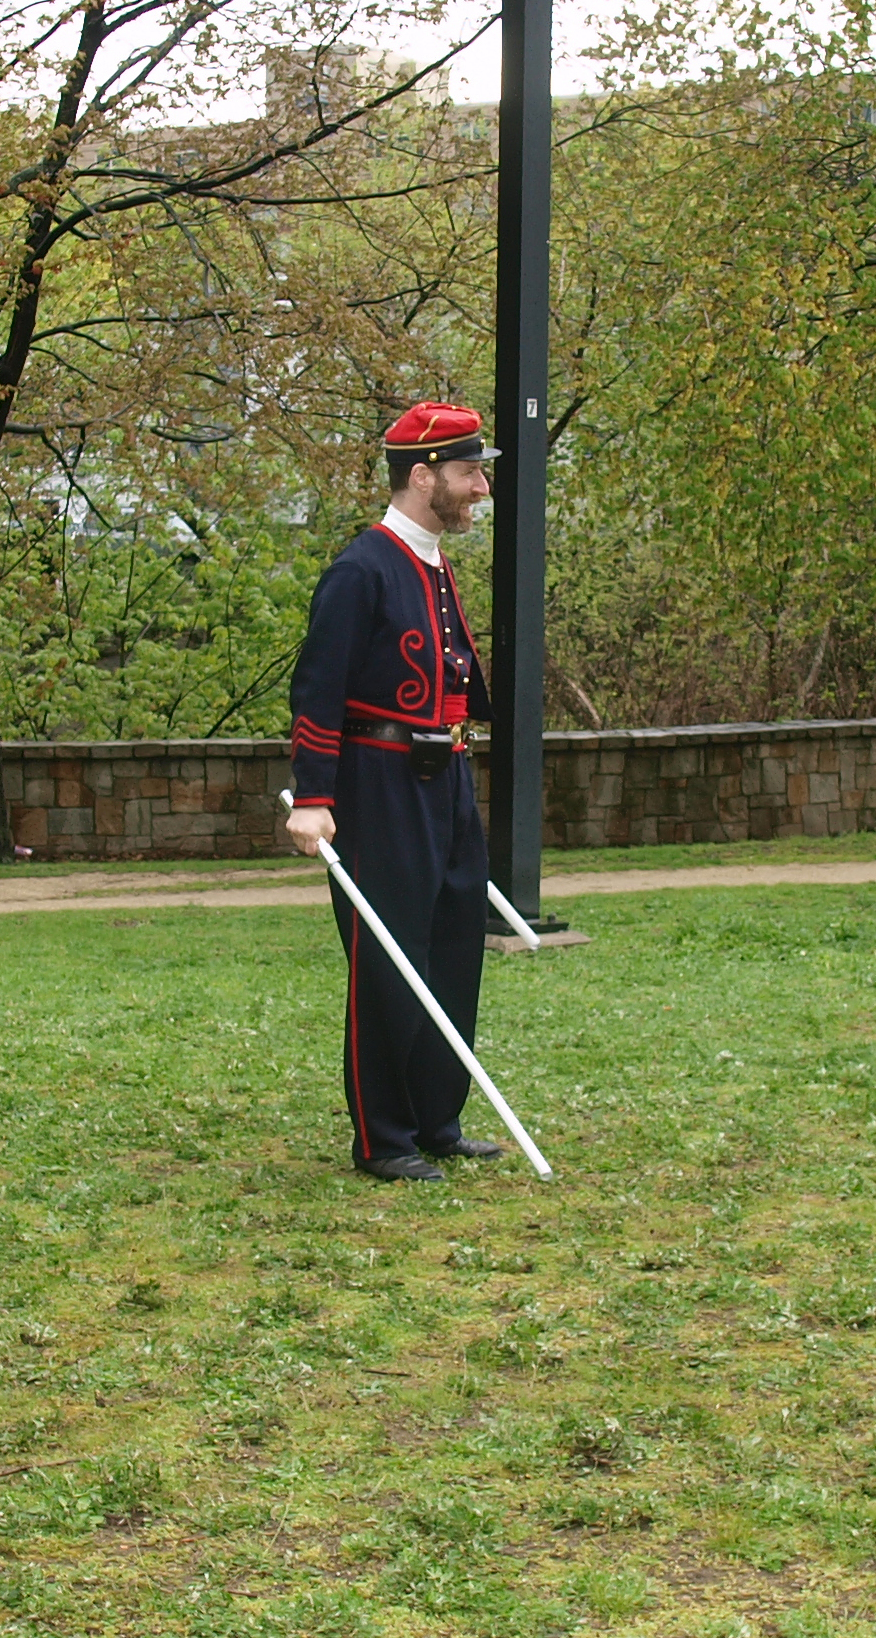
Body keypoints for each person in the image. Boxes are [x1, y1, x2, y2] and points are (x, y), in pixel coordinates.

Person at [283, 402, 505, 1182]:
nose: (481, 488)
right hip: (376, 786)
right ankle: (384, 1139)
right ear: (422, 476)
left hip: (446, 778)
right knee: (388, 958)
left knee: (453, 946)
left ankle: (437, 1121)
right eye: (470, 472)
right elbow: (318, 689)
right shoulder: (361, 569)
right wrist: (315, 796)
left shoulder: (433, 561)